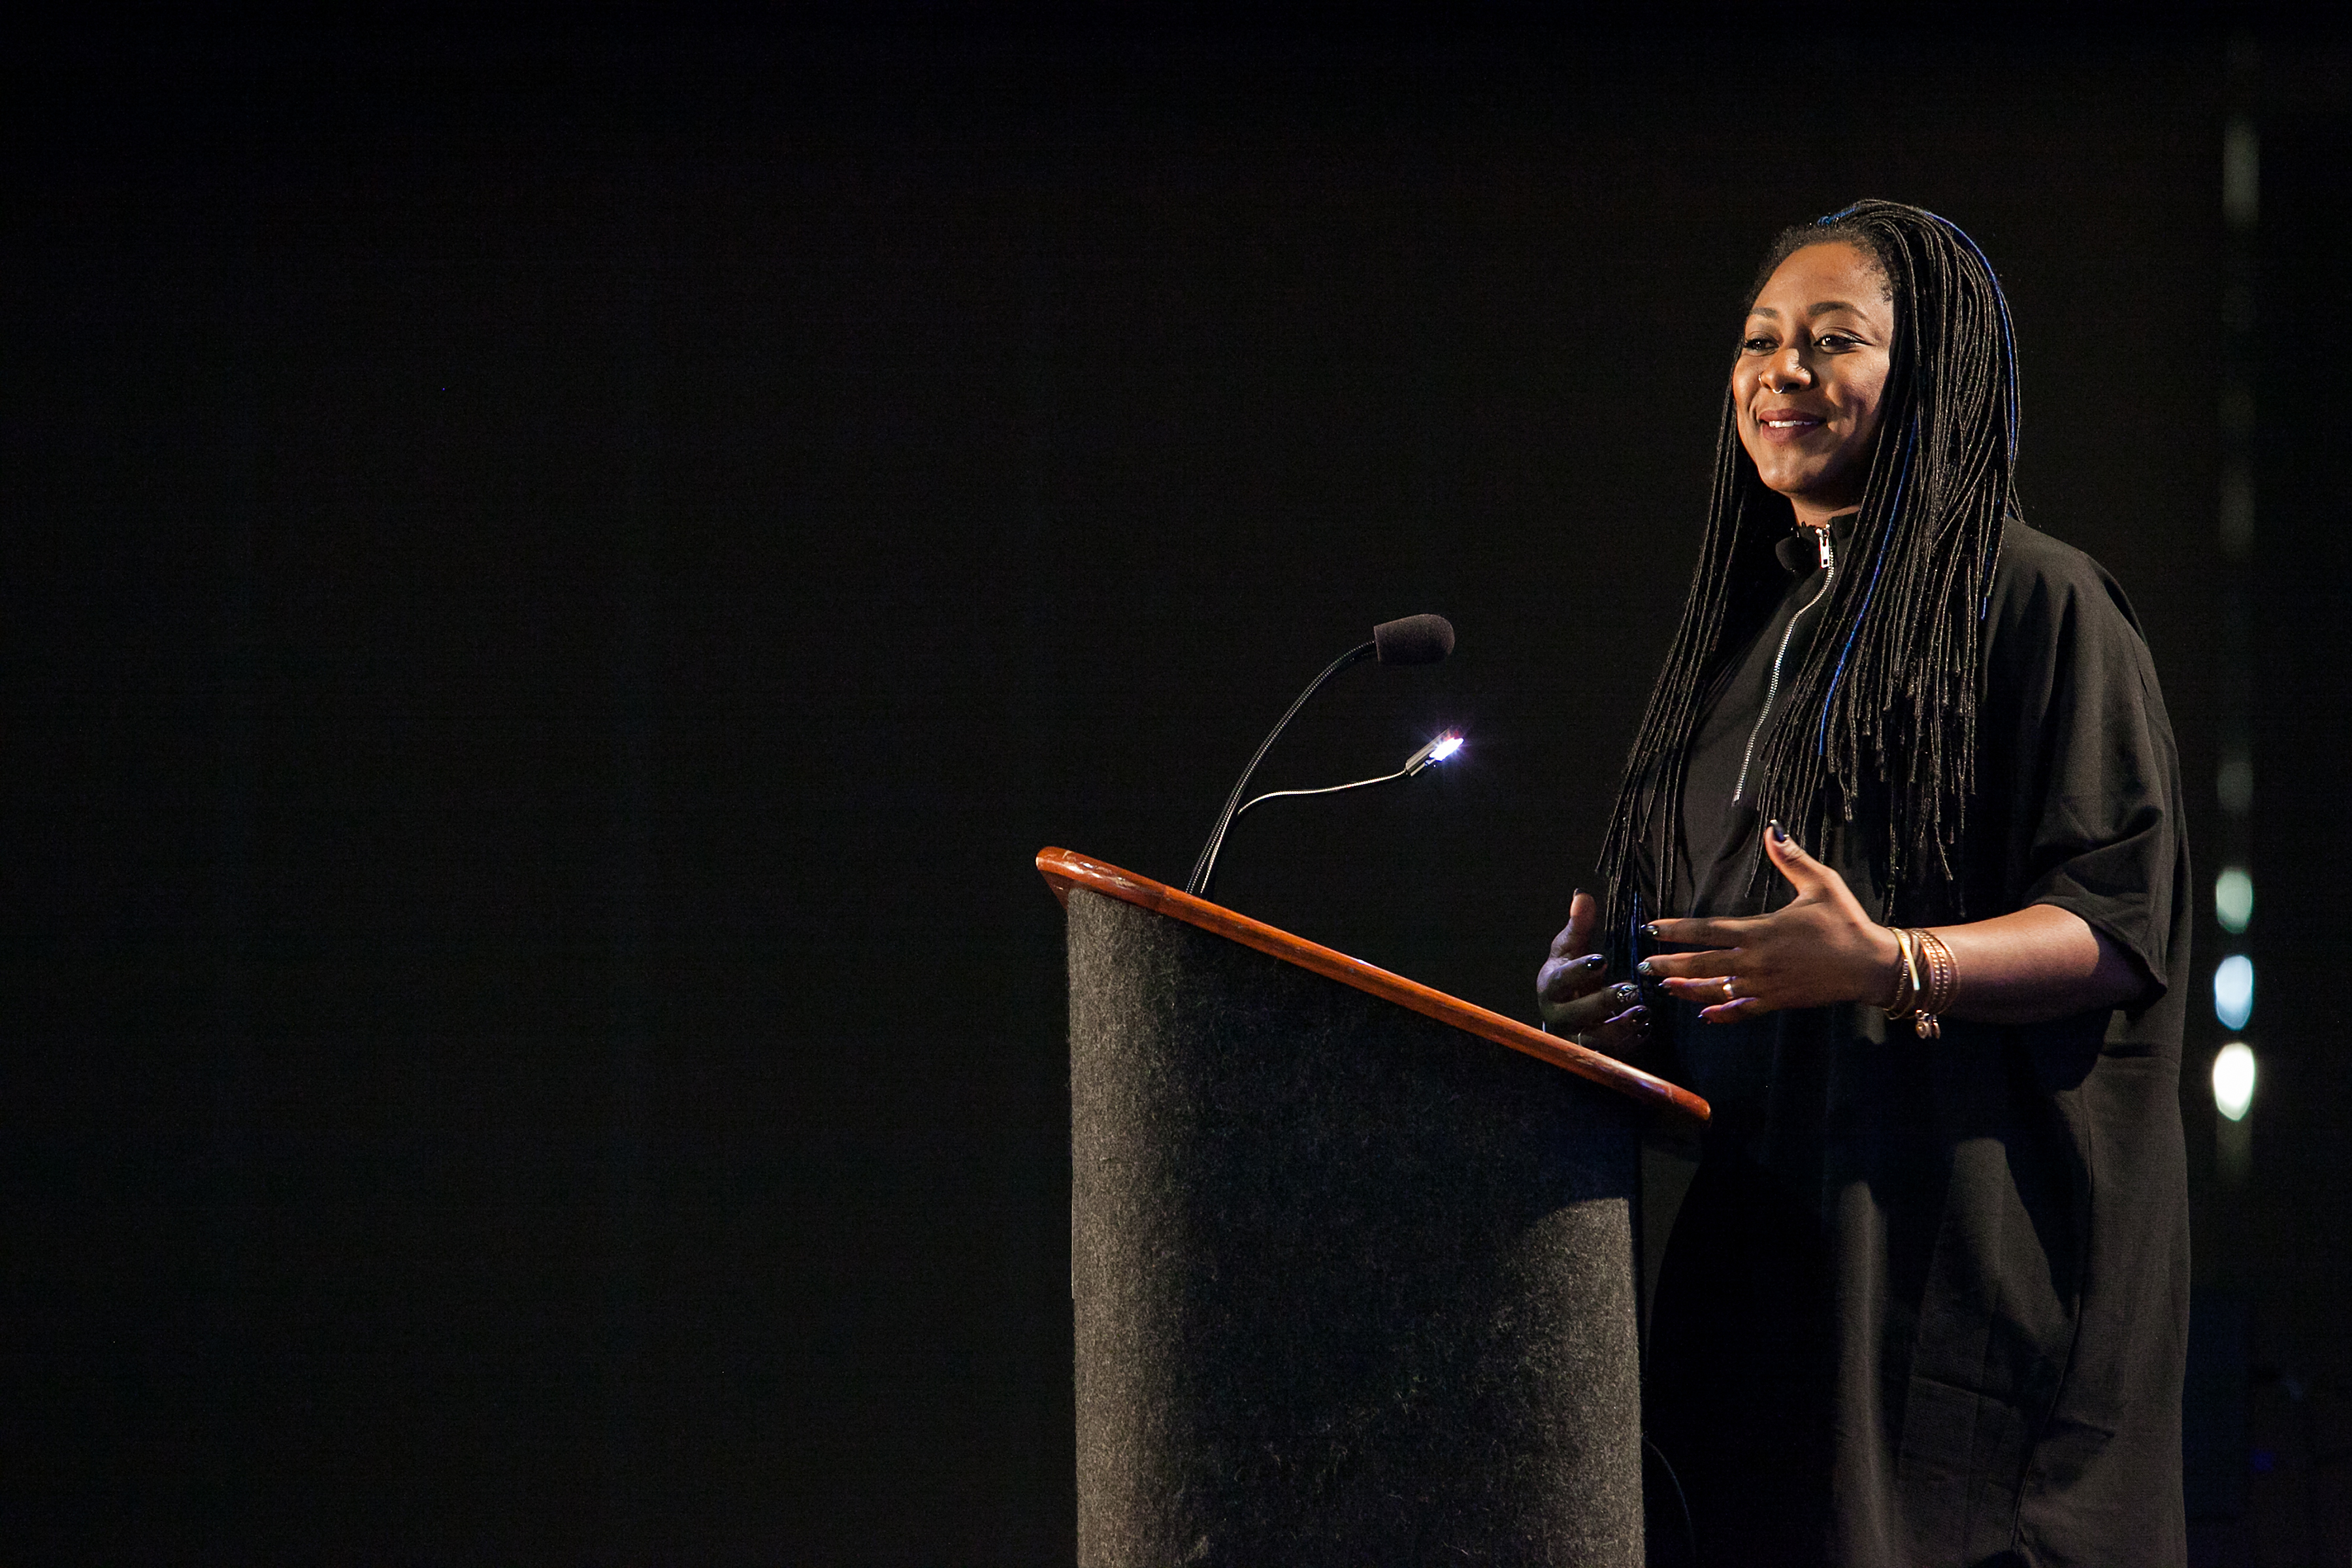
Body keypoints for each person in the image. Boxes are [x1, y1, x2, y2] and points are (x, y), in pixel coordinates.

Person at [1536, 201, 2190, 1565]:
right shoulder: (1738, 659)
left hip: (1959, 1292)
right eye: (1762, 339)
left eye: (1837, 340)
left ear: (1929, 374)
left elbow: (2117, 927)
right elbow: (1721, 993)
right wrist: (1601, 1019)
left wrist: (1894, 962)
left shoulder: (2042, 604)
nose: (1785, 369)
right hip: (1763, 1299)